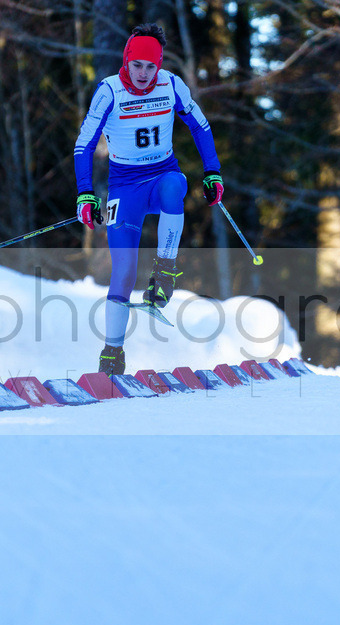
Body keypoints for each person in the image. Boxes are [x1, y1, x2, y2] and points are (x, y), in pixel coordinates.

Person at [74, 23, 224, 376]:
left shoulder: (170, 84)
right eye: (137, 65)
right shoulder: (109, 92)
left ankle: (165, 270)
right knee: (123, 274)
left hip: (160, 178)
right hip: (124, 189)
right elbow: (84, 144)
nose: (144, 74)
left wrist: (213, 170)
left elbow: (200, 125)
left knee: (176, 185)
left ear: (159, 67)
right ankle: (112, 353)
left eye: (150, 67)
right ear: (126, 63)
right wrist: (84, 193)